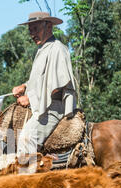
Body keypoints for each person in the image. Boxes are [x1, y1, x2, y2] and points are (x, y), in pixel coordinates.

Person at [13, 12, 77, 156]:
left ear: (48, 26)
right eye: (30, 30)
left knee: (26, 139)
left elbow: (58, 85)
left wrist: (29, 98)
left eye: (35, 29)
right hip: (41, 105)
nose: (32, 34)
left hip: (52, 108)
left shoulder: (57, 48)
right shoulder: (42, 50)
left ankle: (27, 177)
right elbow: (41, 80)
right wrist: (24, 86)